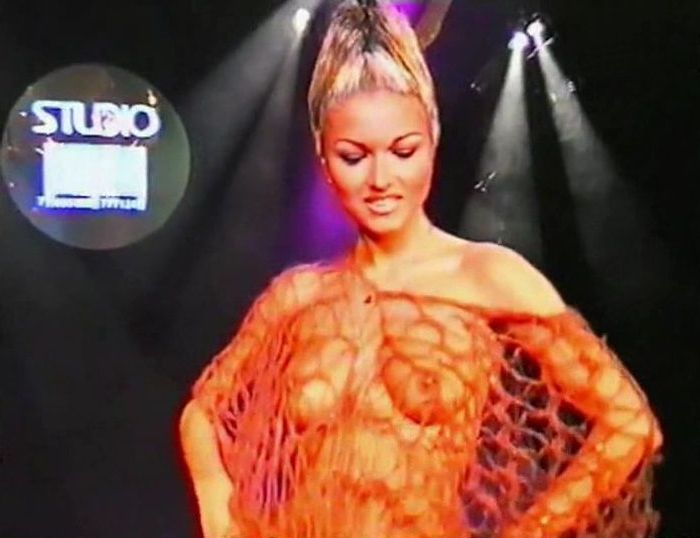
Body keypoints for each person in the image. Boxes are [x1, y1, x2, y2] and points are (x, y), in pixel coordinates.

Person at [178, 1, 663, 537]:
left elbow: (628, 425)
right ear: (324, 157)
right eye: (353, 156)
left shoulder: (485, 276)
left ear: (431, 142)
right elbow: (203, 412)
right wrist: (217, 502)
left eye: (403, 151)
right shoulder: (300, 296)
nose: (380, 178)